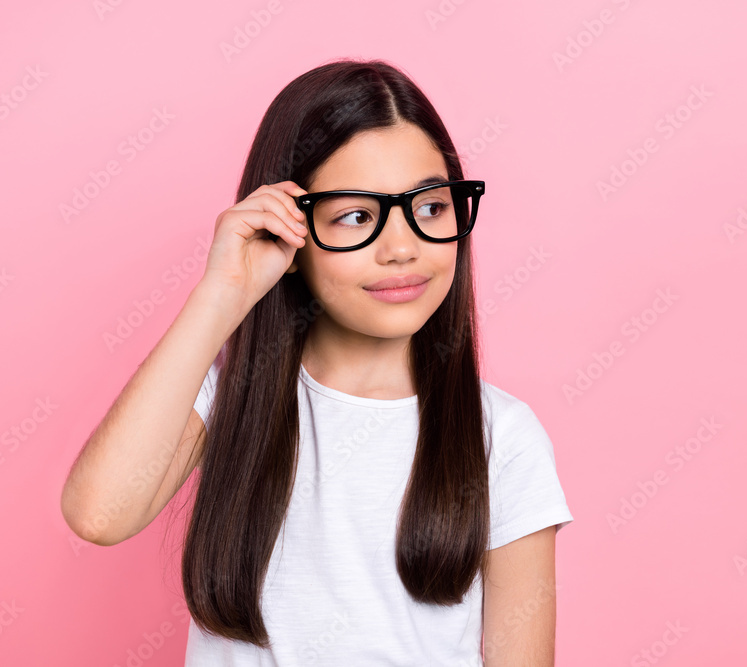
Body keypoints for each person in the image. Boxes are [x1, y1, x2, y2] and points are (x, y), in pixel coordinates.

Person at [60, 58, 573, 666]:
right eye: (357, 216)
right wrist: (222, 293)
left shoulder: (502, 437)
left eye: (432, 208)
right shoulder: (228, 399)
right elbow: (98, 514)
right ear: (290, 233)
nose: (403, 248)